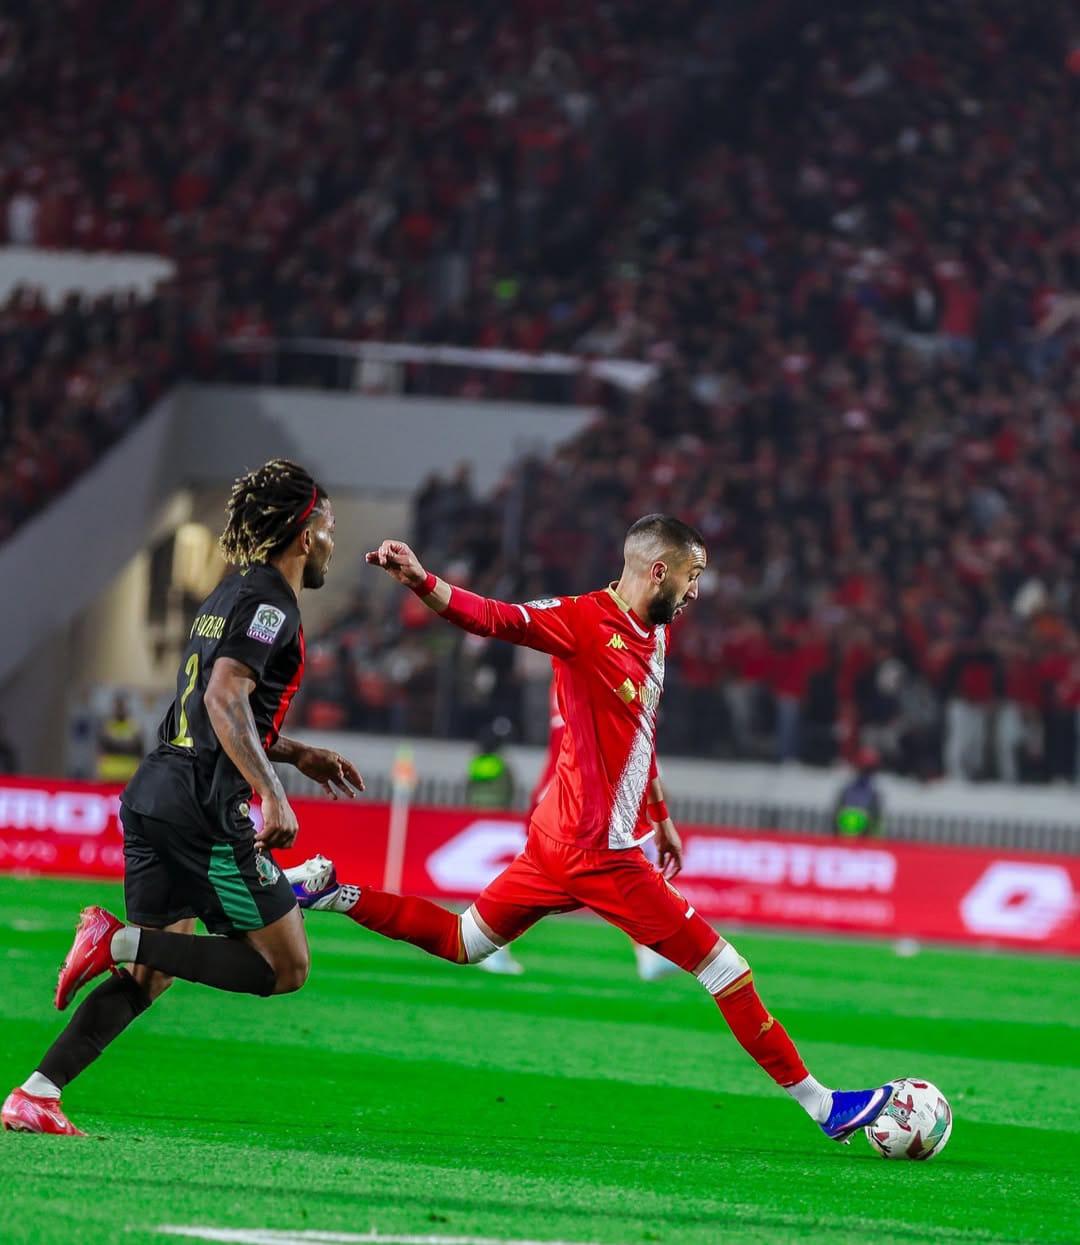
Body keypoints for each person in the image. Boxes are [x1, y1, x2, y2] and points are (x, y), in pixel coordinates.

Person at [289, 514, 893, 1143]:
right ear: (658, 570)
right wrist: (421, 579)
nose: (696, 592)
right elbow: (494, 617)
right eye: (692, 576)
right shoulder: (579, 621)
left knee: (464, 940)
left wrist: (660, 815)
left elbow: (639, 732)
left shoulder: (655, 633)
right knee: (726, 970)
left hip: (560, 839)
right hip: (598, 851)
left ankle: (332, 892)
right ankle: (826, 1108)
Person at [2, 459, 364, 1136]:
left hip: (156, 793)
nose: (331, 542)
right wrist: (272, 792)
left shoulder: (228, 594)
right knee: (285, 966)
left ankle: (35, 1094)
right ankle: (116, 938)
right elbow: (225, 696)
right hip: (202, 808)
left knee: (152, 973)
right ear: (303, 533)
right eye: (329, 527)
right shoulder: (271, 605)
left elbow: (211, 706)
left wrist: (293, 753)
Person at [831, 748, 884, 838]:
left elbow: (876, 820)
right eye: (865, 770)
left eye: (868, 770)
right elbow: (837, 814)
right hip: (847, 835)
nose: (865, 774)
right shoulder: (848, 791)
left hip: (860, 836)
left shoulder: (872, 794)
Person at [95, 691, 146, 783]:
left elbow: (138, 748)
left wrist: (114, 742)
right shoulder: (107, 725)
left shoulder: (134, 726)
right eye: (118, 706)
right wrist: (126, 743)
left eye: (122, 706)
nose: (120, 709)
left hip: (129, 775)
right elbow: (104, 745)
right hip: (108, 775)